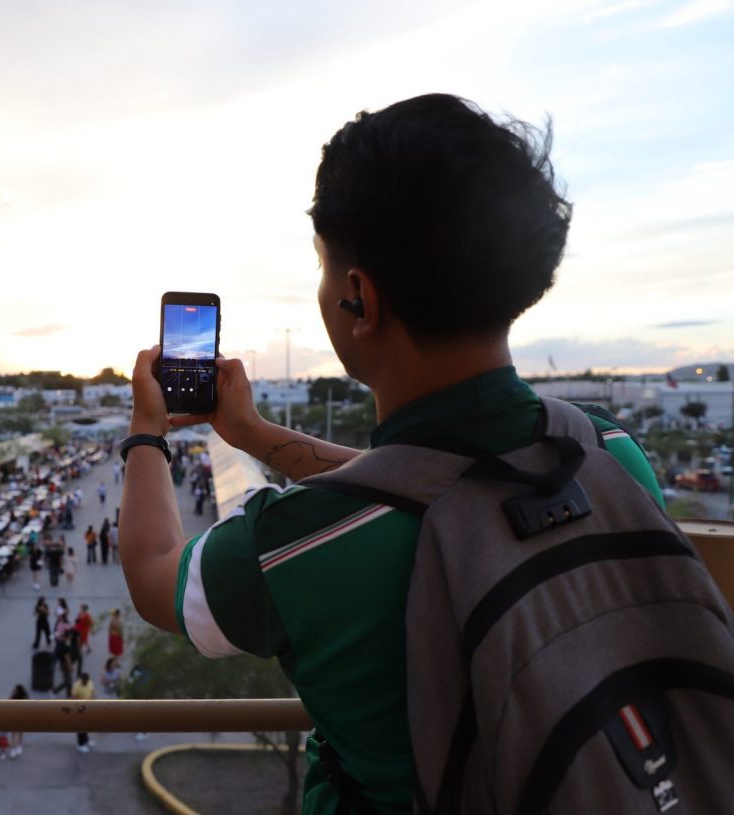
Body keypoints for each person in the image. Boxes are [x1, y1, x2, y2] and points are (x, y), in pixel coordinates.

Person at [117, 94, 668, 814]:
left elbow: (153, 574)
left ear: (358, 297)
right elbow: (432, 479)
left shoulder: (299, 541)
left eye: (323, 267)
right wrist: (253, 435)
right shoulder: (611, 453)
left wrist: (146, 432)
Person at [71, 672, 96, 752]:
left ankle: (86, 740)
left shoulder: (90, 683)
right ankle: (80, 744)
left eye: (86, 681)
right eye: (83, 681)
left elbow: (92, 693)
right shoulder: (76, 686)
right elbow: (74, 698)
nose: (85, 682)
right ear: (81, 679)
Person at [7, 684, 28, 759]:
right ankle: (13, 749)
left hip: (21, 718)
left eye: (15, 690)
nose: (13, 691)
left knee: (20, 733)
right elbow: (7, 705)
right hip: (14, 718)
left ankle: (18, 746)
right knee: (14, 734)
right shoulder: (13, 697)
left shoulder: (24, 698)